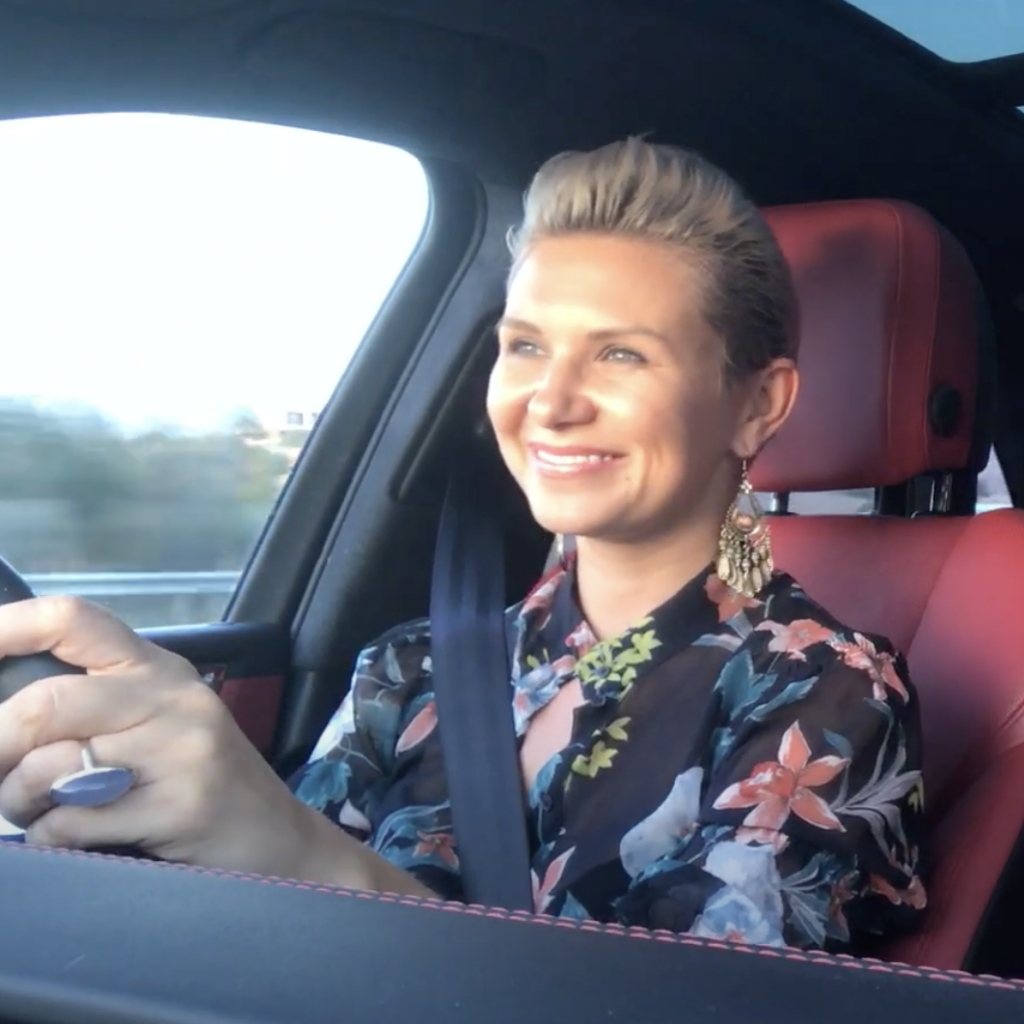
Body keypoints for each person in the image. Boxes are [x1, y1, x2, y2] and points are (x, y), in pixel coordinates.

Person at [0, 138, 925, 951]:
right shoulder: (409, 666)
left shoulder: (826, 693)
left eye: (621, 354)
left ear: (758, 403)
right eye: (525, 346)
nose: (550, 402)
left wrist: (294, 848)